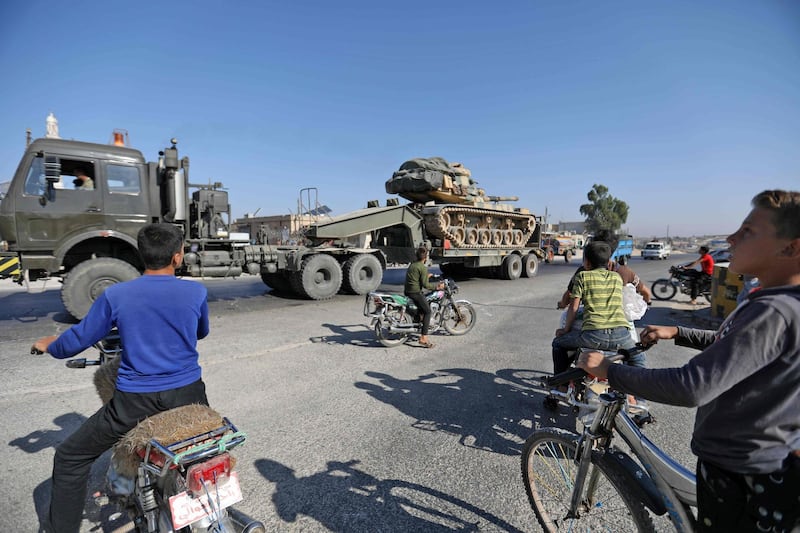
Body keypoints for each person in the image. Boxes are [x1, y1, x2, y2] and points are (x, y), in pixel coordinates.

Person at [577, 190, 800, 532]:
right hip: (765, 459)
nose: (731, 238)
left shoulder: (772, 311)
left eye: (748, 231)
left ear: (792, 247)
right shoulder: (780, 302)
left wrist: (608, 370)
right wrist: (677, 332)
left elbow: (692, 386)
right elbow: (739, 350)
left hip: (741, 470)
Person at [32, 223, 210, 533]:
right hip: (190, 395)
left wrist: (49, 345)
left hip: (134, 403)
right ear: (177, 257)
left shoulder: (116, 294)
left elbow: (75, 341)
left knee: (70, 456)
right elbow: (200, 331)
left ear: (141, 255)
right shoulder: (195, 291)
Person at [551, 241, 642, 379]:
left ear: (586, 262)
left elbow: (573, 307)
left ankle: (560, 384)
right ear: (609, 261)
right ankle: (637, 397)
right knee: (638, 358)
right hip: (621, 336)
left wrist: (565, 330)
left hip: (593, 336)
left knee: (558, 344)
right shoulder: (617, 278)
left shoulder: (582, 276)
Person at [404, 246, 443, 348]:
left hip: (408, 291)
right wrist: (437, 286)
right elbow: (426, 285)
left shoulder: (413, 265)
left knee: (423, 307)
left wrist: (426, 275)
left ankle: (419, 320)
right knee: (428, 311)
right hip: (415, 292)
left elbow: (417, 276)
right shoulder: (422, 267)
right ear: (425, 258)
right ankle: (423, 338)